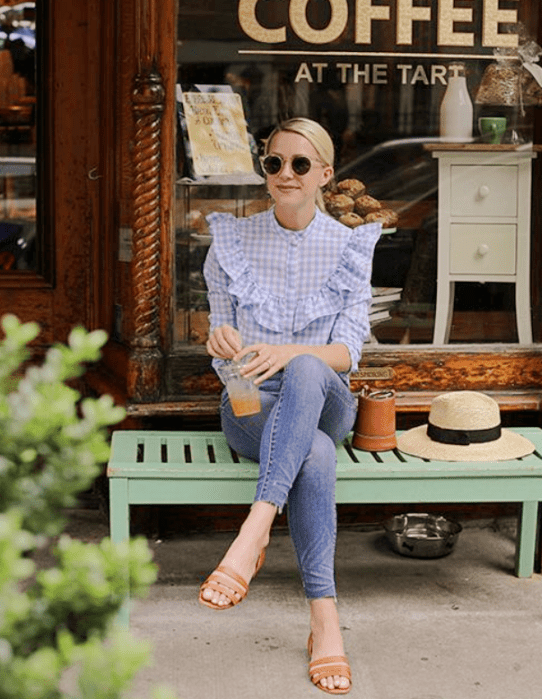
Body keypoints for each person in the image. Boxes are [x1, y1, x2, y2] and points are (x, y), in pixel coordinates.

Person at [198, 117, 382, 695]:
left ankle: (254, 530)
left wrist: (285, 351)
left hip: (326, 401)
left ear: (326, 175)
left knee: (308, 367)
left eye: (300, 164)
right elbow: (223, 341)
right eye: (274, 163)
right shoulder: (232, 239)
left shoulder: (351, 245)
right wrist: (219, 342)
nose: (285, 174)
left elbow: (346, 353)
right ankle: (324, 622)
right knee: (317, 455)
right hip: (251, 408)